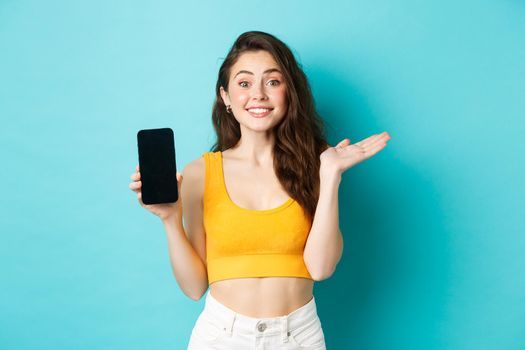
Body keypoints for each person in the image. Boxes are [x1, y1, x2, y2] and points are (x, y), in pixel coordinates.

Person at [129, 30, 391, 349]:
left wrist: (331, 174)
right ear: (225, 96)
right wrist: (170, 219)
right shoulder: (200, 172)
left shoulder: (319, 163)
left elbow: (321, 268)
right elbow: (195, 287)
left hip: (299, 336)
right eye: (244, 83)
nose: (259, 95)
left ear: (289, 92)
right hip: (221, 336)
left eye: (272, 81)